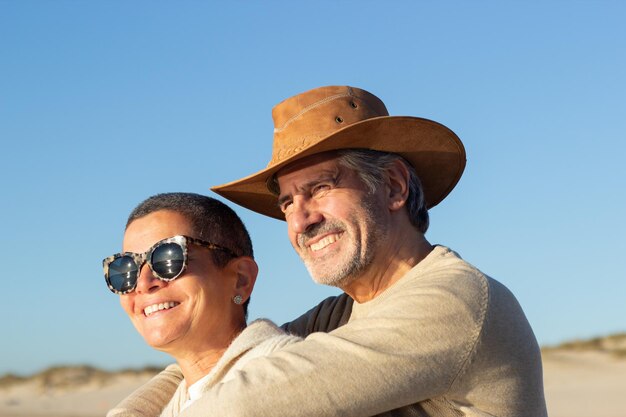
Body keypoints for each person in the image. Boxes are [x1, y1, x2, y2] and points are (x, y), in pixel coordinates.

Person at [110, 86, 547, 416]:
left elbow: (249, 401)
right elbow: (220, 358)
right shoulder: (343, 314)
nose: (300, 221)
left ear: (393, 186)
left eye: (320, 188)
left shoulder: (453, 302)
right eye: (287, 203)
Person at [103, 192, 301, 416]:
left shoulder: (294, 380)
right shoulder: (175, 403)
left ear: (241, 280)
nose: (142, 283)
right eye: (125, 270)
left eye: (168, 259)